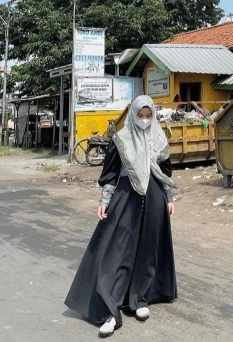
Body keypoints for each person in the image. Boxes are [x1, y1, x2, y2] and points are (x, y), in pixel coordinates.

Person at [65, 95, 178, 338]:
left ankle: (139, 299)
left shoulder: (159, 138)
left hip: (155, 199)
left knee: (148, 250)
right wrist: (104, 201)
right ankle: (110, 311)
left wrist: (168, 199)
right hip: (126, 199)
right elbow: (111, 175)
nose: (145, 120)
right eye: (141, 115)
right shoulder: (121, 139)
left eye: (149, 116)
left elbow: (165, 173)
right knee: (117, 252)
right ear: (133, 114)